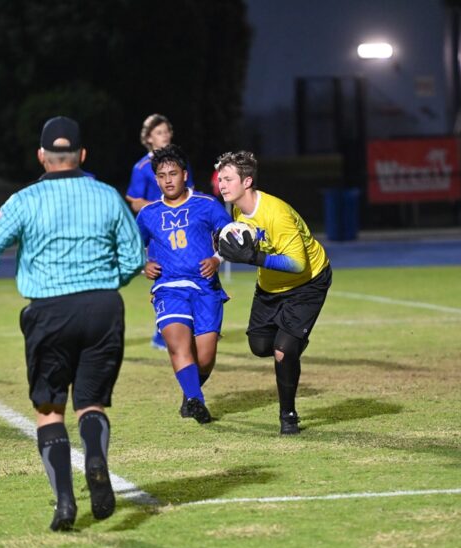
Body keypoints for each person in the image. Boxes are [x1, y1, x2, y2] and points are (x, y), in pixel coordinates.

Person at [0, 116, 146, 531]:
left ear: (41, 156)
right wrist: (104, 283)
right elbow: (134, 258)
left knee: (49, 408)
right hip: (102, 307)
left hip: (50, 311)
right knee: (91, 402)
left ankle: (64, 502)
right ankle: (95, 459)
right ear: (82, 154)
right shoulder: (107, 196)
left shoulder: (24, 200)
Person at [215, 151, 332, 435]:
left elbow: (297, 263)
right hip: (269, 286)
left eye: (228, 179)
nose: (221, 184)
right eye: (220, 178)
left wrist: (253, 258)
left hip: (307, 282)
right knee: (259, 347)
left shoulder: (276, 213)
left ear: (247, 181)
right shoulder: (236, 209)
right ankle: (292, 345)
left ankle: (288, 415)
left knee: (282, 350)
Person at [135, 145, 231, 425]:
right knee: (179, 347)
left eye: (173, 173)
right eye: (162, 175)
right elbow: (129, 247)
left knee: (205, 359)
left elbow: (232, 237)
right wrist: (143, 265)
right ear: (156, 180)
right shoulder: (148, 214)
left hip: (205, 289)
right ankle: (196, 401)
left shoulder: (207, 204)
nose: (168, 180)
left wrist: (216, 258)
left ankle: (190, 393)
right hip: (168, 288)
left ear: (184, 174)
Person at [125, 113, 195, 351]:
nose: (164, 136)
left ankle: (189, 326)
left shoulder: (181, 162)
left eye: (166, 131)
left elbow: (191, 192)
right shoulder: (142, 167)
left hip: (183, 227)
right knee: (166, 277)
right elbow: (133, 199)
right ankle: (163, 332)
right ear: (148, 138)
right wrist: (158, 208)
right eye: (158, 133)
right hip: (159, 231)